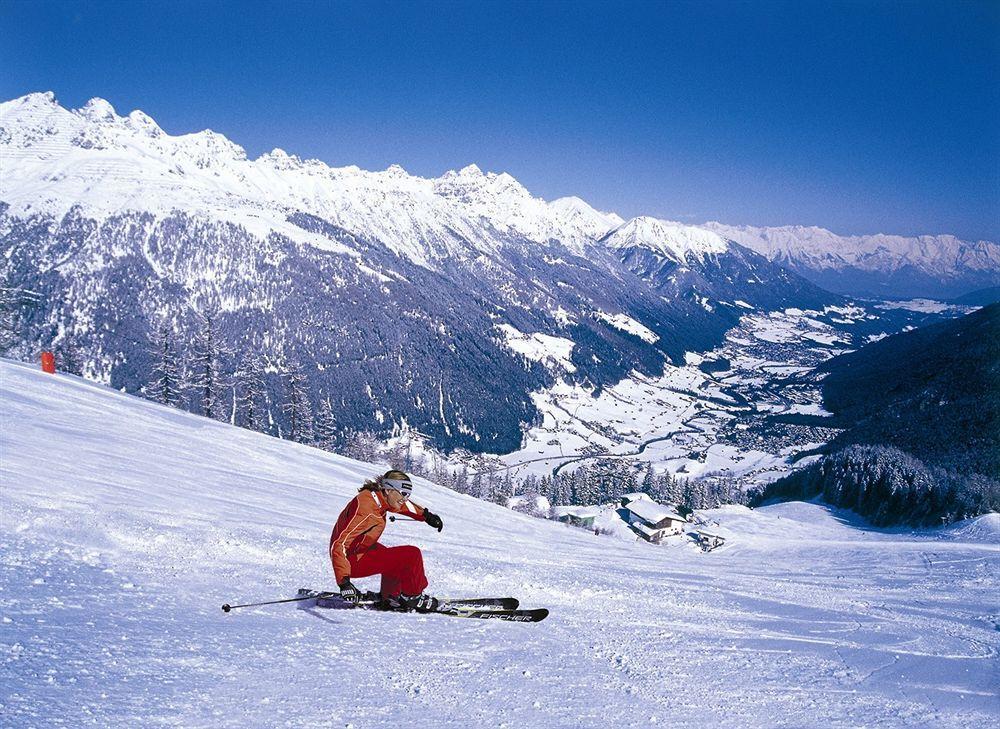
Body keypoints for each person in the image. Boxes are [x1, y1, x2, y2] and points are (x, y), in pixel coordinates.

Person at [329, 469, 444, 611]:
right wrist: (344, 582)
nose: (405, 498)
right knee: (410, 555)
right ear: (389, 490)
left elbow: (403, 505)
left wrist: (426, 516)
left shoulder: (378, 498)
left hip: (359, 549)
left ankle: (390, 596)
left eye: (408, 494)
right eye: (403, 493)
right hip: (349, 559)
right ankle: (413, 598)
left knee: (392, 557)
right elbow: (340, 544)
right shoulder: (365, 510)